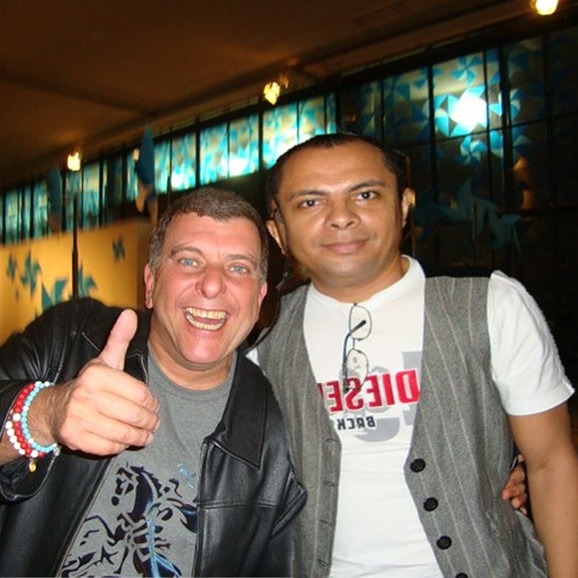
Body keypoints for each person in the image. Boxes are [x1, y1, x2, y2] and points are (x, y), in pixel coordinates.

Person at [253, 133, 578, 577]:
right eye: (311, 202)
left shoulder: (490, 304)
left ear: (404, 206)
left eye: (365, 195)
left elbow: (551, 463)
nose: (341, 217)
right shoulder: (260, 336)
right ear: (278, 230)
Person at [0, 187, 306, 577]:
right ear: (150, 282)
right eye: (189, 261)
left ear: (259, 296)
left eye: (238, 268)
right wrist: (43, 414)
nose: (212, 285)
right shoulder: (72, 339)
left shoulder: (276, 429)